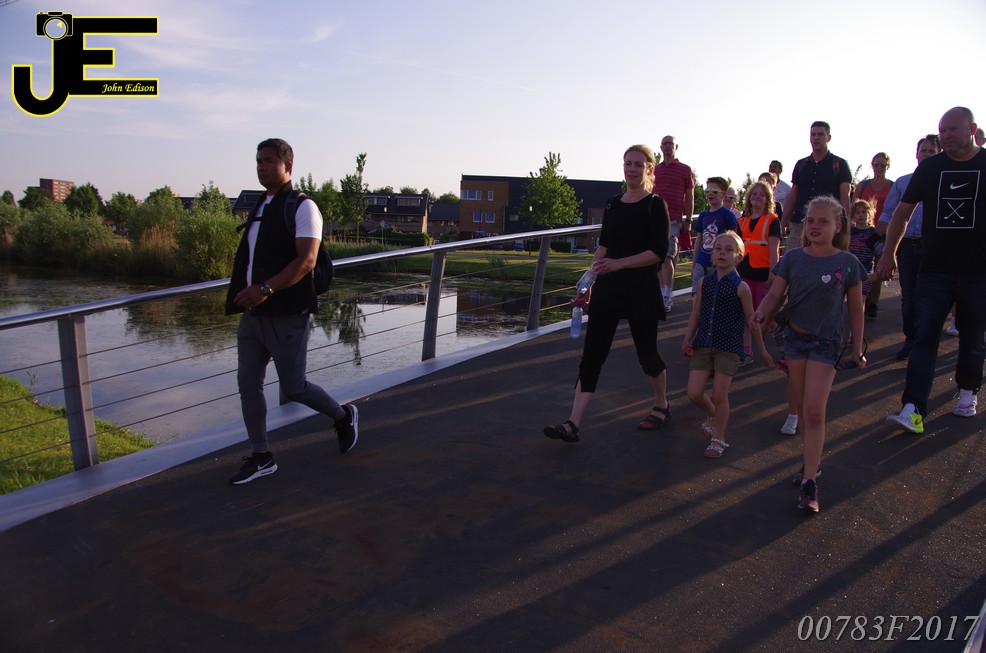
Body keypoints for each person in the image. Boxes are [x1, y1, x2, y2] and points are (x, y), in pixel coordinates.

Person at [225, 138, 359, 484]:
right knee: (248, 384)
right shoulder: (260, 205)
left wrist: (264, 289)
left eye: (269, 161)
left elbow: (307, 260)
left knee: (294, 387)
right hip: (253, 315)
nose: (262, 167)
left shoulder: (302, 206)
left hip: (287, 312)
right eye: (258, 161)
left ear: (288, 166)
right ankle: (262, 456)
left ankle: (343, 416)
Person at [544, 144, 671, 442]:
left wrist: (619, 263)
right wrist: (587, 282)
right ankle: (573, 423)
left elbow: (658, 252)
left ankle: (662, 404)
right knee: (592, 356)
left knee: (647, 354)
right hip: (609, 288)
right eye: (628, 163)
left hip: (640, 289)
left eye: (638, 164)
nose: (632, 169)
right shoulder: (613, 203)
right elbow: (604, 247)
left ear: (649, 169)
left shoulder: (655, 205)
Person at [753, 195, 867, 513]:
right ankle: (811, 463)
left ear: (837, 226)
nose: (815, 226)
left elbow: (856, 309)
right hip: (795, 340)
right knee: (803, 408)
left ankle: (809, 482)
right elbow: (776, 293)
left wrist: (858, 348)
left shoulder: (848, 263)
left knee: (815, 409)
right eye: (810, 221)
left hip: (827, 343)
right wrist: (761, 311)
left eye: (823, 221)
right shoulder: (792, 258)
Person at [878, 107, 986, 434]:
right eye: (942, 130)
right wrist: (888, 254)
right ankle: (913, 408)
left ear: (972, 129)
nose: (946, 135)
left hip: (978, 271)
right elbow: (902, 213)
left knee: (972, 336)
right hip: (934, 269)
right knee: (924, 336)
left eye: (953, 129)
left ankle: (967, 391)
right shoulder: (930, 168)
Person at [682, 232, 772, 458]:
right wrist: (688, 336)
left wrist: (762, 351)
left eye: (728, 250)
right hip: (704, 344)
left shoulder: (741, 287)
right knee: (694, 393)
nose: (722, 253)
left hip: (728, 347)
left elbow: (751, 323)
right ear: (712, 254)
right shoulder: (704, 283)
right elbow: (696, 313)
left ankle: (719, 437)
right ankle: (713, 414)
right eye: (718, 248)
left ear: (738, 257)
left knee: (719, 394)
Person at [877, 135, 942, 359]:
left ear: (939, 154)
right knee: (908, 299)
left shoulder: (943, 181)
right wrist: (884, 246)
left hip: (933, 248)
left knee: (930, 298)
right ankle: (910, 340)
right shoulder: (903, 182)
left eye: (931, 151)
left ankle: (924, 343)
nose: (926, 155)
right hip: (906, 246)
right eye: (923, 151)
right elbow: (888, 212)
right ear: (916, 154)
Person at [780, 122, 852, 252]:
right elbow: (793, 196)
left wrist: (845, 226)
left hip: (827, 226)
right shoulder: (801, 164)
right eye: (813, 134)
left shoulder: (839, 164)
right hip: (799, 224)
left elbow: (845, 198)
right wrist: (783, 222)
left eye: (820, 134)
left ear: (828, 137)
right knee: (792, 261)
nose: (816, 138)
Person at [737, 180, 781, 366]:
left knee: (763, 314)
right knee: (747, 314)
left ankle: (782, 340)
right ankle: (747, 351)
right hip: (745, 272)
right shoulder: (742, 221)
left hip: (763, 273)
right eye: (754, 194)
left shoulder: (772, 220)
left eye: (762, 195)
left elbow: (774, 249)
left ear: (767, 199)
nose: (757, 197)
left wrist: (773, 272)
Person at [652, 135, 695, 313]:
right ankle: (659, 293)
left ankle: (667, 295)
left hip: (674, 220)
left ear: (676, 147)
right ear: (661, 148)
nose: (668, 146)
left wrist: (688, 219)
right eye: (665, 144)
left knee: (668, 256)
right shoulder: (654, 169)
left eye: (671, 143)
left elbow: (690, 196)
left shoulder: (685, 170)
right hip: (654, 220)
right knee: (656, 257)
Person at [853, 153, 895, 318]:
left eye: (882, 165)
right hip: (863, 229)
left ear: (887, 167)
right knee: (862, 262)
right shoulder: (863, 185)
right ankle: (860, 297)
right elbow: (853, 204)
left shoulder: (892, 186)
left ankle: (872, 302)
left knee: (879, 265)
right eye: (876, 164)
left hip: (883, 230)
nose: (879, 168)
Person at [691, 177, 739, 294]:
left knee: (715, 294)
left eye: (715, 191)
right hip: (701, 261)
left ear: (724, 195)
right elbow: (699, 239)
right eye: (707, 191)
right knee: (697, 292)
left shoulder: (727, 215)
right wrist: (694, 263)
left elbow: (735, 239)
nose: (710, 193)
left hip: (718, 263)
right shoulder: (703, 215)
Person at [847, 199, 882, 301]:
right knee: (851, 298)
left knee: (861, 298)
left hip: (866, 269)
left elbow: (879, 250)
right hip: (852, 269)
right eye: (857, 212)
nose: (861, 215)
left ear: (869, 214)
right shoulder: (850, 232)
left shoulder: (873, 232)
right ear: (853, 215)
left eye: (864, 212)